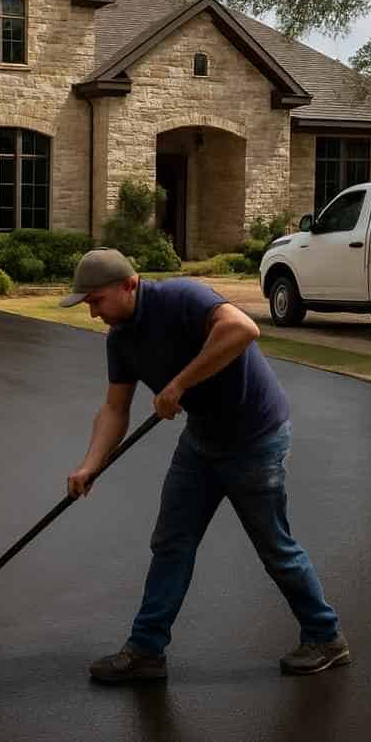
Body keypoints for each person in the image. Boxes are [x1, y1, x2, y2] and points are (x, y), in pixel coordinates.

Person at [60, 247, 349, 682]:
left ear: (128, 285)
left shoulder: (182, 297)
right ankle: (146, 650)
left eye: (96, 301)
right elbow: (115, 409)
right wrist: (90, 465)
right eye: (87, 304)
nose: (93, 312)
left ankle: (326, 637)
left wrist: (179, 383)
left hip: (256, 437)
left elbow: (242, 328)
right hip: (203, 439)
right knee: (172, 541)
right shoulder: (121, 339)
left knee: (275, 548)